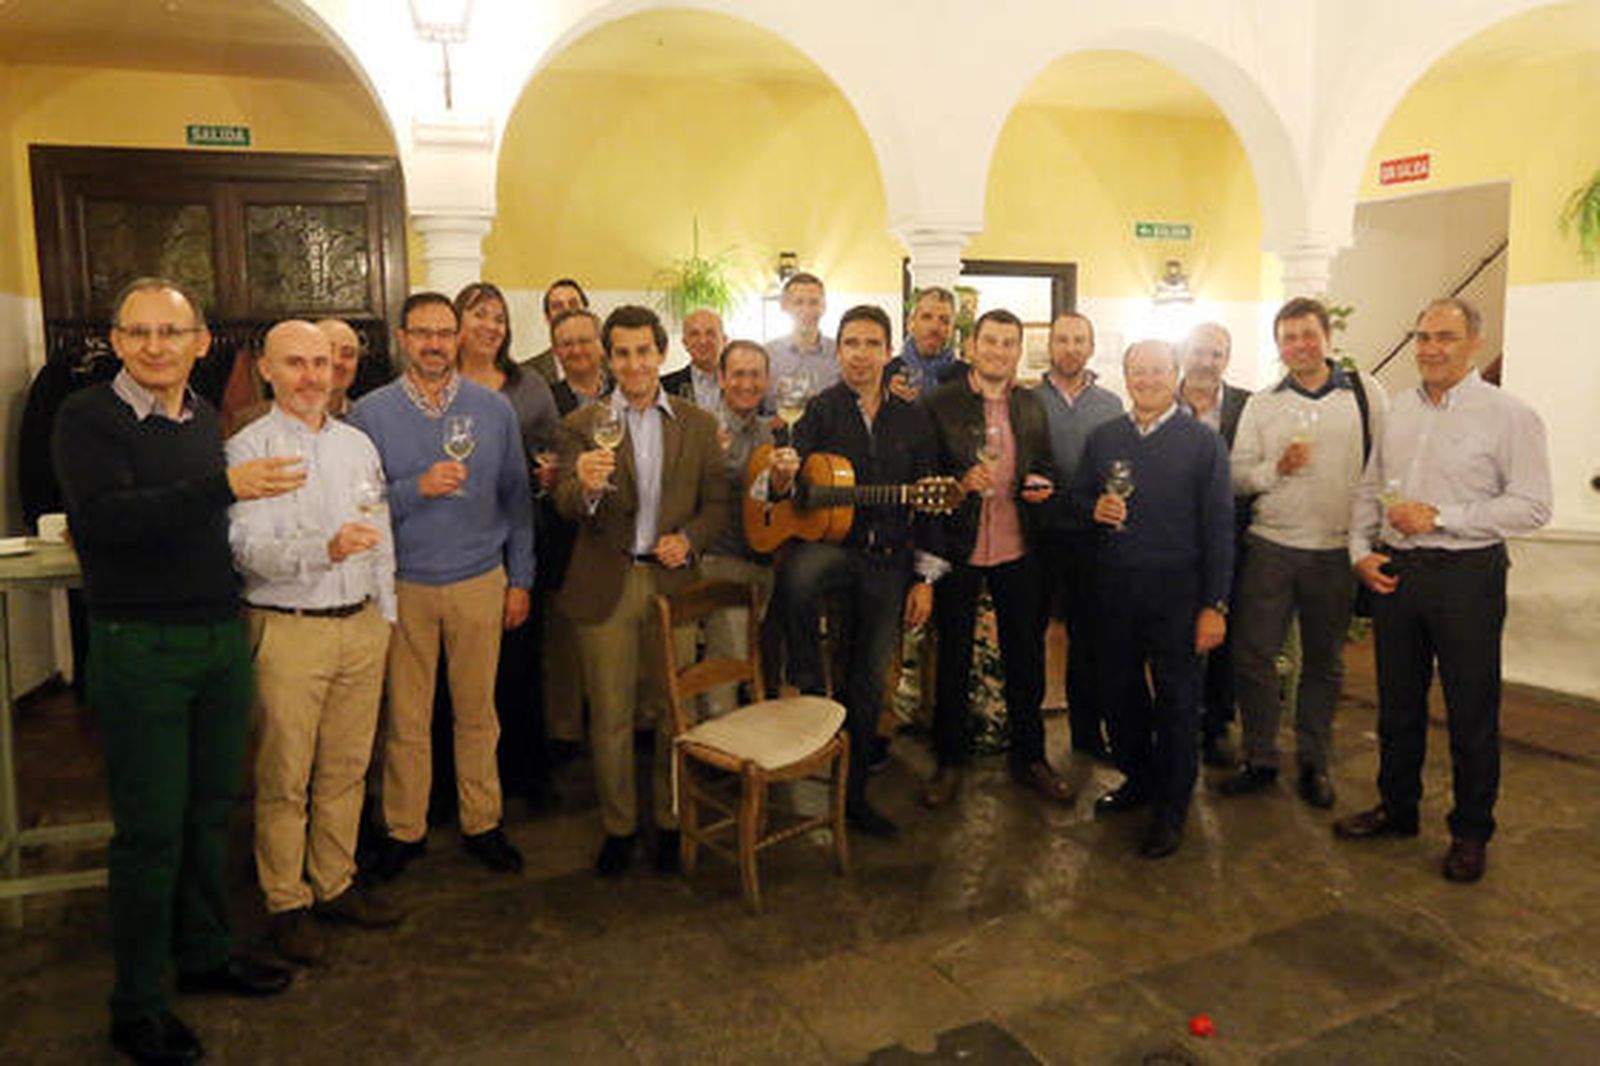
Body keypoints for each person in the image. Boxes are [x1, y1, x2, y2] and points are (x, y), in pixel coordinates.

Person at [53, 277, 295, 1065]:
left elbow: (198, 523)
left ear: (201, 342)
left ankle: (203, 954)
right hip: (142, 646)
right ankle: (137, 1004)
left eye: (172, 332)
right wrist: (223, 485)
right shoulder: (88, 418)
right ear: (117, 342)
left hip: (217, 640)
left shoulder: (199, 418)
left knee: (207, 813)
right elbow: (107, 524)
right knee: (150, 833)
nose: (156, 346)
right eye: (139, 332)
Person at [1335, 297, 1552, 884]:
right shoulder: (1398, 409)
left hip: (1467, 577)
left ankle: (1471, 830)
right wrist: (1360, 554)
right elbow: (1370, 487)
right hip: (1398, 574)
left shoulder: (1509, 415)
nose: (1429, 348)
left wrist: (1442, 516)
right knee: (1398, 703)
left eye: (1444, 338)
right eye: (1422, 336)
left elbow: (1534, 505)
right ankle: (1398, 807)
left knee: (1470, 709)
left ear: (1474, 344)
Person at [227, 321, 402, 968]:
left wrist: (385, 614)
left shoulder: (359, 445)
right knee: (284, 776)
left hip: (360, 627)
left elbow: (381, 530)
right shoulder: (247, 449)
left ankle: (334, 881)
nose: (311, 376)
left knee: (348, 767)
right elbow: (243, 551)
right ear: (266, 370)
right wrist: (321, 550)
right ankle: (286, 901)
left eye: (322, 364)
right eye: (295, 363)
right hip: (289, 627)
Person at [349, 292, 533, 881]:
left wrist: (521, 579)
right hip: (403, 585)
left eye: (444, 333)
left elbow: (517, 500)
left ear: (458, 339)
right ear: (403, 339)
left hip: (481, 578)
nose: (434, 343)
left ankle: (483, 822)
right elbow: (361, 505)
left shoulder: (492, 408)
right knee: (407, 717)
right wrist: (415, 488)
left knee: (480, 713)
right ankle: (406, 830)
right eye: (422, 333)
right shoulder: (369, 414)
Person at [553, 305, 731, 877]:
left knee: (672, 712)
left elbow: (717, 506)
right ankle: (619, 827)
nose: (633, 364)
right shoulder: (581, 424)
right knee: (609, 713)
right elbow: (562, 504)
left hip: (671, 581)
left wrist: (691, 539)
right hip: (607, 579)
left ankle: (674, 820)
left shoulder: (698, 424)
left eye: (644, 352)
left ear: (661, 354)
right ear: (611, 357)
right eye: (623, 353)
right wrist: (585, 487)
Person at [768, 305, 943, 839]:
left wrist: (925, 578)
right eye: (850, 344)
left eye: (871, 343)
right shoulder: (818, 411)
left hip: (888, 559)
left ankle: (854, 795)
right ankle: (806, 673)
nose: (861, 354)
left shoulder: (914, 419)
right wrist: (781, 478)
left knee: (869, 683)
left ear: (889, 353)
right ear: (838, 351)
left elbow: (932, 499)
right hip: (835, 547)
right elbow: (786, 491)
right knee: (795, 576)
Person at [1219, 298, 1387, 809]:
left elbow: (1385, 463)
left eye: (1307, 335)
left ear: (1326, 337)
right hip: (1272, 545)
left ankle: (1315, 760)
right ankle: (1261, 757)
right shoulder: (1264, 402)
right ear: (1278, 346)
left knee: (1324, 662)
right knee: (1253, 657)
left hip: (1336, 550)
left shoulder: (1365, 392)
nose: (1299, 345)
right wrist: (1276, 470)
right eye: (1288, 337)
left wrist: (1371, 535)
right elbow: (1236, 473)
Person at [1070, 340, 1233, 859]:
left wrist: (1216, 604)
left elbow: (1219, 529)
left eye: (1157, 371)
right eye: (1137, 372)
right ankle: (1139, 779)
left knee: (1179, 703)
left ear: (1175, 374)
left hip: (1178, 596)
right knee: (1118, 696)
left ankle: (1172, 807)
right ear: (1125, 376)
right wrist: (1092, 506)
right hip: (1114, 592)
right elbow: (1075, 498)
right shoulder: (1104, 439)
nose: (1146, 380)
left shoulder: (1202, 443)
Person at [921, 309, 1069, 808]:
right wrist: (961, 486)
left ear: (1017, 352)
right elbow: (924, 483)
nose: (1000, 351)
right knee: (954, 658)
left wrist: (1040, 483)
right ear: (972, 346)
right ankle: (949, 761)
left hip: (1018, 546)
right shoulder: (939, 404)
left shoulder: (1030, 406)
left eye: (1009, 343)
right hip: (959, 548)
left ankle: (1030, 758)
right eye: (991, 341)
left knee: (1025, 657)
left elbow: (1043, 463)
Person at [454, 282, 562, 805]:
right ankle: (461, 783)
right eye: (479, 314)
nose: (490, 325)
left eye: (498, 317)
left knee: (519, 660)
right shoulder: (439, 382)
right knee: (460, 670)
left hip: (517, 531)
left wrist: (551, 473)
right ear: (458, 323)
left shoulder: (529, 385)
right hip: (454, 538)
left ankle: (523, 773)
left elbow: (554, 450)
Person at [1034, 311, 1124, 760]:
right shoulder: (1027, 399)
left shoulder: (1111, 405)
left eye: (1079, 340)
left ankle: (1088, 736)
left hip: (1092, 537)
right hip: (1039, 536)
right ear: (1050, 346)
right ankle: (1027, 740)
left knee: (1089, 641)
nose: (1070, 347)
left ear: (1091, 347)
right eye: (1062, 339)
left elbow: (1120, 472)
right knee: (1030, 637)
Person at [1176, 321, 1252, 767]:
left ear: (1227, 358)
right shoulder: (1162, 398)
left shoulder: (1250, 406)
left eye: (1217, 354)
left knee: (1225, 632)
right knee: (1175, 636)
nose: (1207, 361)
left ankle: (1218, 724)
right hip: (1175, 543)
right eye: (1200, 351)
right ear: (1184, 351)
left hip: (1230, 540)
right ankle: (1177, 720)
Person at [698, 339, 778, 717]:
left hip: (766, 564)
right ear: (721, 378)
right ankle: (720, 757)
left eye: (755, 375)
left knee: (760, 664)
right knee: (726, 665)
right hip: (721, 561)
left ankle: (755, 754)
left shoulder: (770, 433)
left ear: (767, 380)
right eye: (738, 374)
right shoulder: (702, 429)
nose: (747, 383)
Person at [886, 287, 964, 400]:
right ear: (910, 324)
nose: (934, 327)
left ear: (952, 329)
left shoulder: (968, 379)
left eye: (944, 320)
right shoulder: (886, 375)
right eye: (926, 317)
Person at [767, 271, 839, 392]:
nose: (806, 310)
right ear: (784, 306)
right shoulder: (767, 355)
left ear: (824, 307)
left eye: (814, 302)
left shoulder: (839, 354)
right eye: (798, 302)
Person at [527, 277, 590, 385]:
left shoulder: (610, 368)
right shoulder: (527, 374)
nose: (566, 311)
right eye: (557, 306)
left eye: (573, 304)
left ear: (586, 312)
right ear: (547, 318)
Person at [549, 307, 612, 414]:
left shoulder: (625, 390)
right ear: (555, 351)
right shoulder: (547, 401)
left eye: (584, 341)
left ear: (602, 345)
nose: (576, 351)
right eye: (567, 344)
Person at [661, 308, 725, 411]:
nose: (703, 341)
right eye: (694, 334)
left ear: (724, 339)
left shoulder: (746, 384)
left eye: (710, 333)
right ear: (685, 342)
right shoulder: (664, 388)